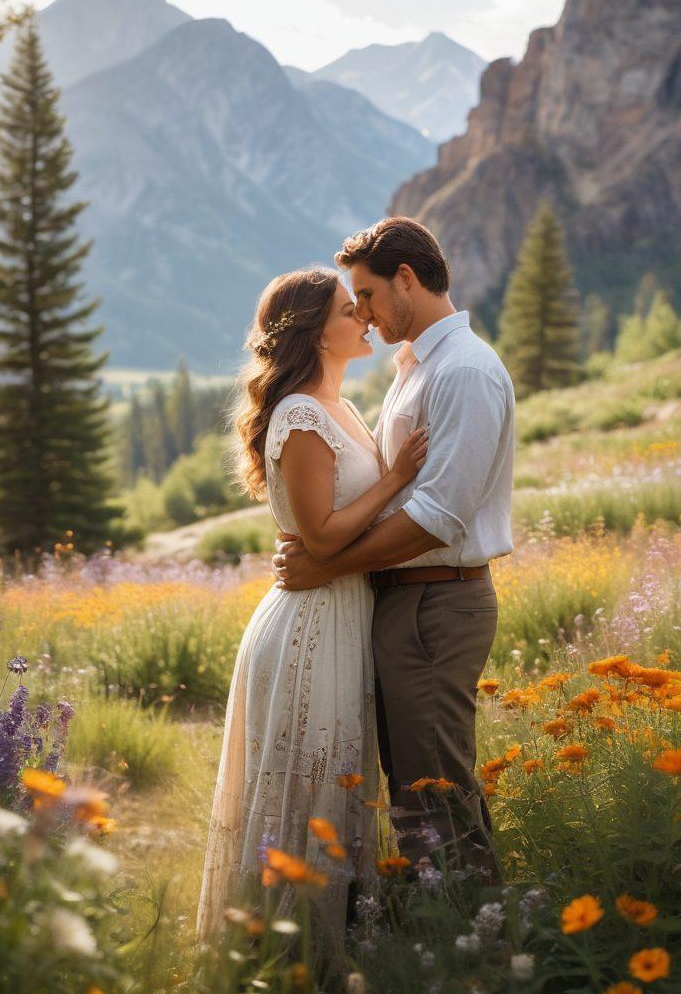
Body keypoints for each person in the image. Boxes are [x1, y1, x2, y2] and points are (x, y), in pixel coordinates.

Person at [274, 217, 515, 877]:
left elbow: (439, 517)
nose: (364, 313)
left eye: (368, 295)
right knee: (416, 786)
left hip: (438, 603)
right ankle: (445, 914)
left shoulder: (464, 370)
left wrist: (326, 564)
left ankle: (472, 924)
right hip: (405, 602)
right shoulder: (418, 366)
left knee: (435, 790)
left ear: (405, 278)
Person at [196, 265, 428, 954]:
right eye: (348, 309)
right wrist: (395, 476)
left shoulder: (341, 408)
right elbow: (321, 536)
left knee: (338, 784)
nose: (364, 316)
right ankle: (280, 961)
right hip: (310, 623)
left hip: (343, 611)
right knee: (309, 786)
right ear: (315, 332)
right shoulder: (299, 413)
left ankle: (335, 954)